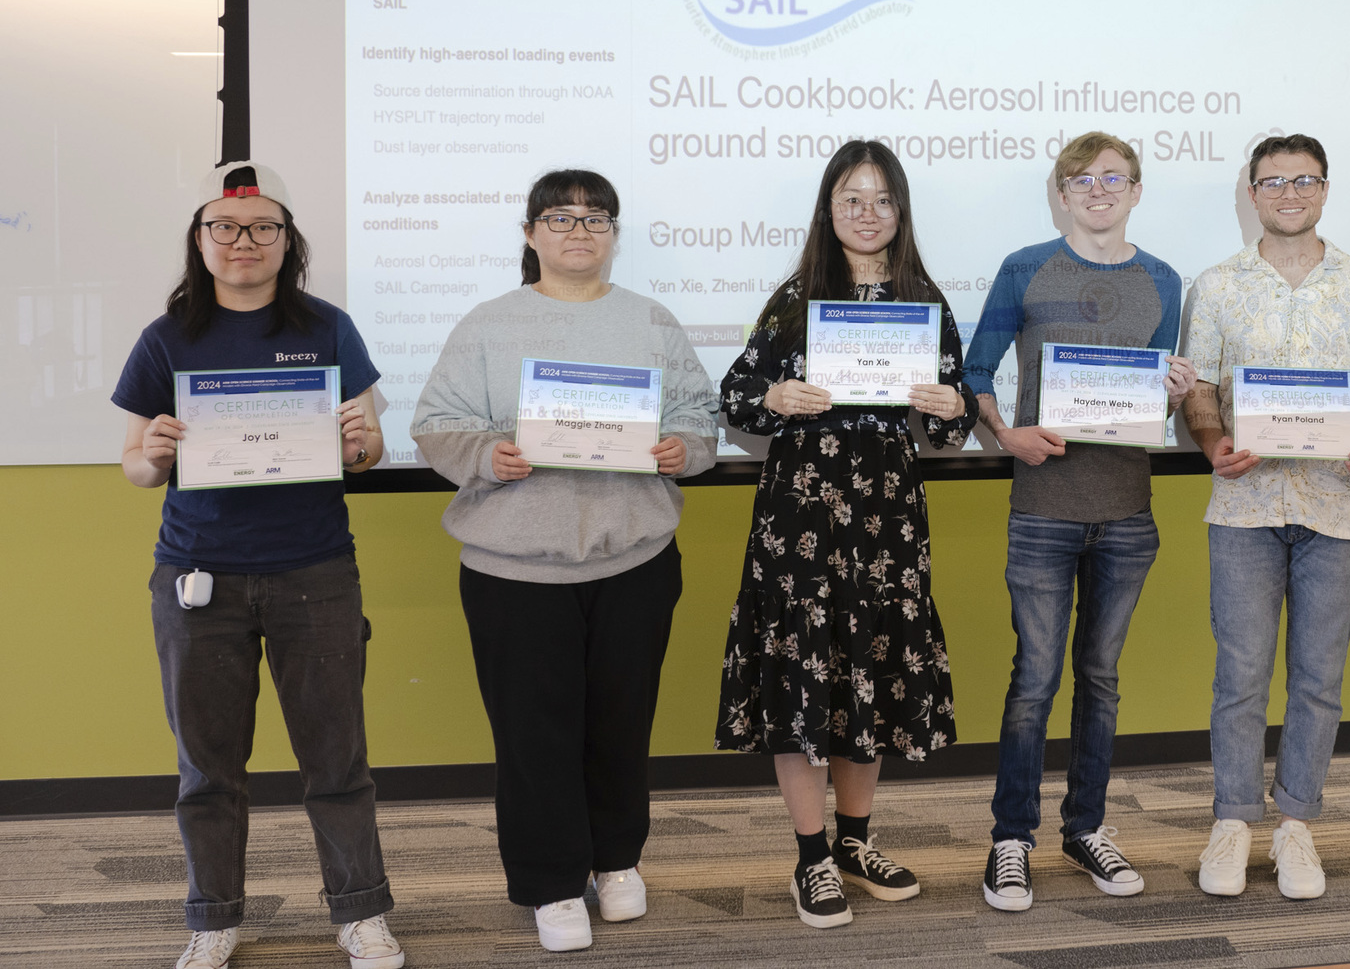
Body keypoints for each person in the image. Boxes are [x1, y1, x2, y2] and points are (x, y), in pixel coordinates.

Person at [410, 169, 717, 954]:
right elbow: (437, 424)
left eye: (595, 218)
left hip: (634, 562)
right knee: (533, 733)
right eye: (560, 217)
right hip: (517, 572)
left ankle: (616, 859)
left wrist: (688, 448)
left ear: (614, 234)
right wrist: (489, 453)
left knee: (621, 722)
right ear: (529, 233)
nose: (579, 231)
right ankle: (552, 880)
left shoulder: (650, 321)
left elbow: (698, 417)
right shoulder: (488, 325)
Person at [113, 162, 405, 969]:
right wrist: (156, 452)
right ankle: (213, 915)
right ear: (201, 241)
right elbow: (134, 466)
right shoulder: (167, 337)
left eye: (263, 229)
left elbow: (370, 449)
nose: (244, 242)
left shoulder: (327, 327)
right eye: (226, 228)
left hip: (314, 571)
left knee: (336, 758)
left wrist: (361, 444)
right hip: (198, 576)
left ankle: (360, 912)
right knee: (208, 767)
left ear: (288, 241)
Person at [715, 140, 977, 929]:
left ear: (901, 211)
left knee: (873, 671)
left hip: (888, 520)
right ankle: (810, 856)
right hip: (800, 519)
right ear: (828, 210)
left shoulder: (923, 300)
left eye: (882, 199)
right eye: (850, 198)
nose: (867, 213)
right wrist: (779, 395)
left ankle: (856, 842)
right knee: (801, 678)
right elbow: (737, 397)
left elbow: (953, 428)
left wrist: (948, 407)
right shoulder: (798, 297)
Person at [964, 132, 1195, 912]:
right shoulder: (1025, 267)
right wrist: (1006, 435)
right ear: (1061, 192)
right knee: (1035, 679)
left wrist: (1172, 391)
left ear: (1137, 190)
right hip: (1041, 511)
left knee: (1101, 679)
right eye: (1082, 178)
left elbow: (1151, 396)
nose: (1099, 189)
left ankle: (1086, 825)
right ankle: (1011, 839)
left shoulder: (1165, 280)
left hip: (1128, 512)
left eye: (1115, 177)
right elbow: (974, 370)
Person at [1180, 133, 1350, 901]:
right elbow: (1200, 393)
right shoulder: (1215, 286)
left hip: (1337, 505)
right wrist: (1212, 442)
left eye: (1302, 179)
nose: (1287, 192)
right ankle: (1234, 821)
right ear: (1251, 192)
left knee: (1318, 678)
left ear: (1324, 189)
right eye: (1272, 180)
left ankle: (1298, 825)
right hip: (1243, 505)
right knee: (1239, 676)